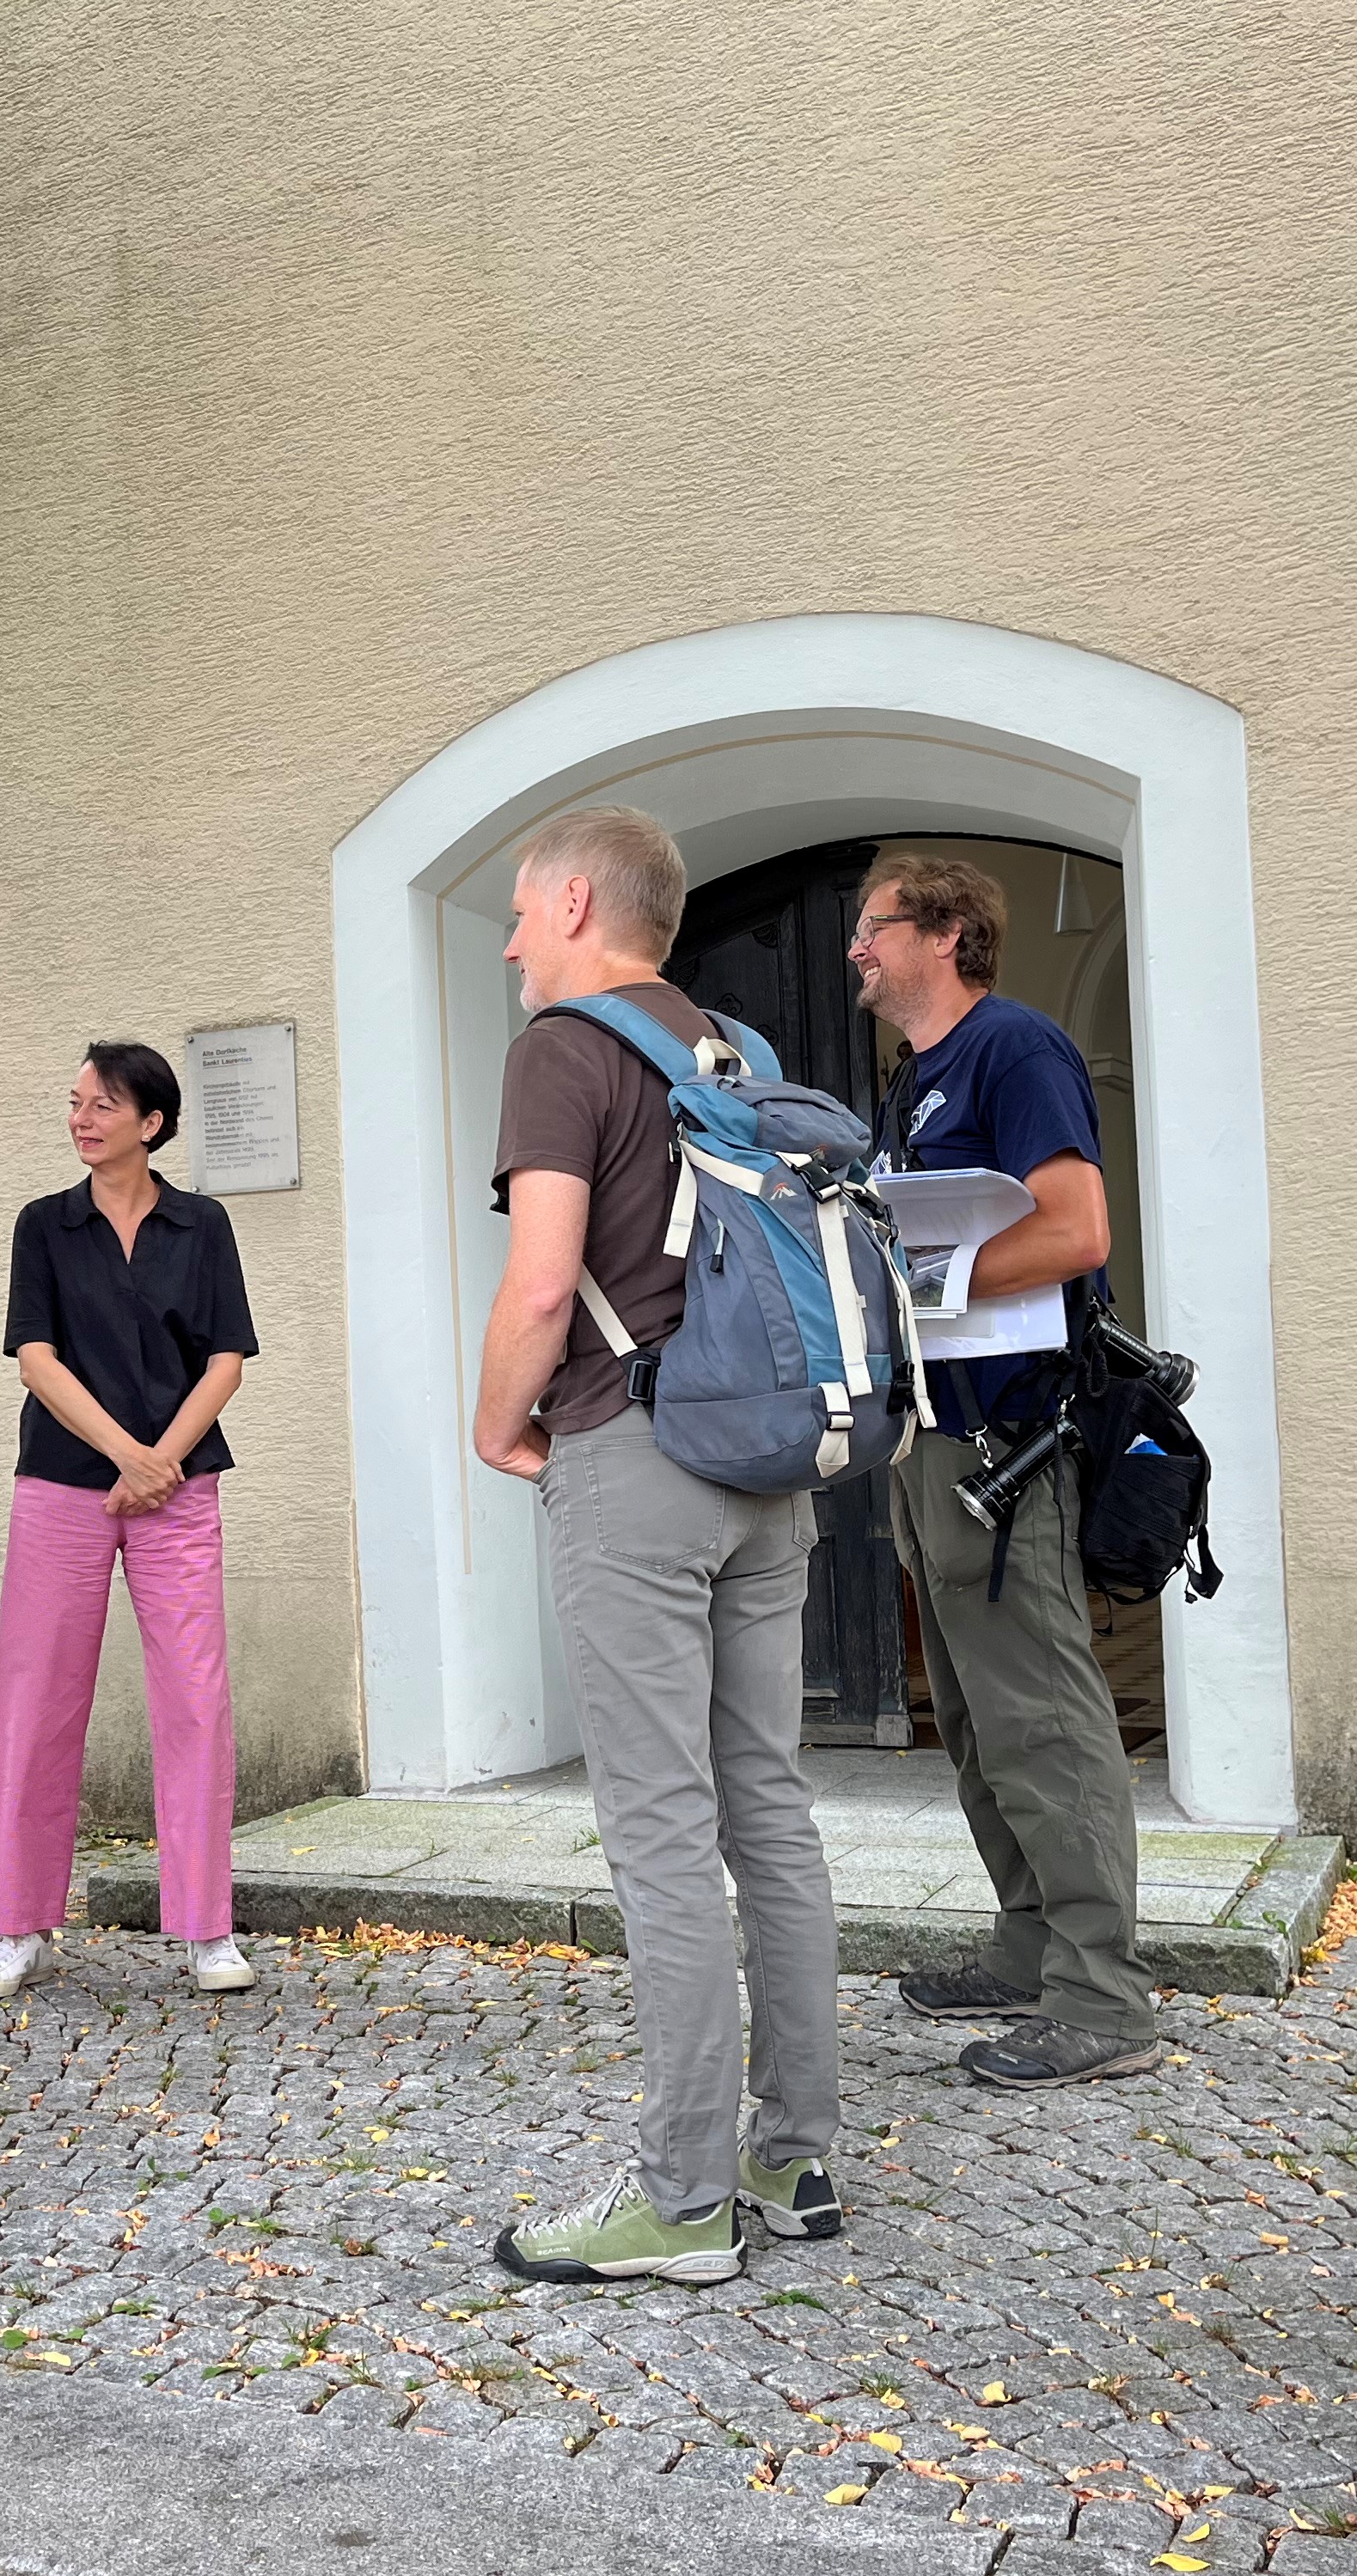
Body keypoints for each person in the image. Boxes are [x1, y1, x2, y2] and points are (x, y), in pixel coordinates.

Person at [469, 804, 848, 2286]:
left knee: (662, 1832)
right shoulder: (735, 1054)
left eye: (516, 909)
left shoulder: (561, 1050)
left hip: (633, 1455)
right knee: (768, 1804)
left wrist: (498, 1424)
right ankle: (791, 2150)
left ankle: (682, 2198)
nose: (506, 937)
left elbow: (540, 1279)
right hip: (766, 1465)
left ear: (574, 901)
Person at [853, 851, 1160, 2086]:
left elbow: (1078, 1229)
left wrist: (935, 1279)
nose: (858, 950)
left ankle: (1104, 2000)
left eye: (874, 929)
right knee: (978, 1717)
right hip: (934, 1433)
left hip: (1010, 1440)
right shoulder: (913, 1081)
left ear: (940, 933)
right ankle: (1029, 1945)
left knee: (1043, 1712)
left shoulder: (1016, 1049)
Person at [0, 1042, 260, 2001]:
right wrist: (130, 1458)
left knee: (197, 1703)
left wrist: (162, 1457)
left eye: (102, 1104)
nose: (83, 1118)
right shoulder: (44, 1226)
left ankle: (208, 1929)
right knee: (35, 1697)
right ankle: (18, 1927)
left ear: (152, 1123)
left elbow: (226, 1360)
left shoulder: (201, 1225)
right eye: (76, 1102)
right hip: (64, 1484)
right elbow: (36, 1359)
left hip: (179, 1484)